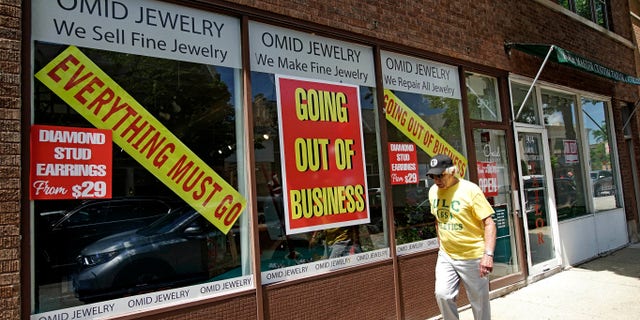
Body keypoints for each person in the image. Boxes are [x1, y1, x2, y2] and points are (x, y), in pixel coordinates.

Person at [427, 154, 497, 320]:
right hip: (447, 255)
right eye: (433, 176)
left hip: (473, 256)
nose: (436, 180)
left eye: (440, 175)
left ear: (452, 172)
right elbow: (438, 220)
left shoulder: (470, 190)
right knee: (442, 295)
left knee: (479, 303)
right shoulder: (433, 192)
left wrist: (488, 255)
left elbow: (489, 223)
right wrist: (442, 246)